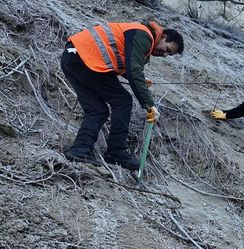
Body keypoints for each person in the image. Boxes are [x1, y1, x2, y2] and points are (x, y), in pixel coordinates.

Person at [62, 21, 184, 170]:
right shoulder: (143, 35)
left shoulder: (140, 34)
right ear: (163, 36)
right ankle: (116, 152)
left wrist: (138, 79)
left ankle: (80, 150)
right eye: (167, 49)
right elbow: (134, 70)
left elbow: (125, 62)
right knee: (123, 101)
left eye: (168, 54)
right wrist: (149, 105)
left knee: (97, 109)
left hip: (73, 57)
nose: (164, 54)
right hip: (86, 58)